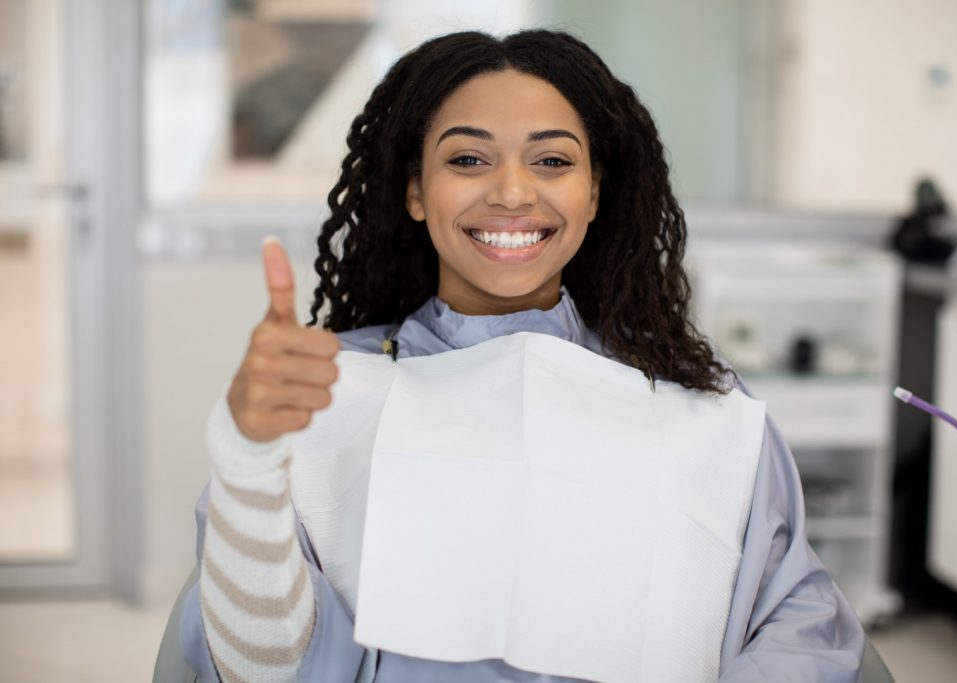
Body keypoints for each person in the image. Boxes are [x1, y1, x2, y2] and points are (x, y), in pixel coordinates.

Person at [179, 29, 865, 682]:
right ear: (416, 190)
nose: (511, 192)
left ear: (594, 191)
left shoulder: (701, 407)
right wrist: (247, 454)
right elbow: (266, 667)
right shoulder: (323, 397)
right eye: (468, 159)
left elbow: (795, 624)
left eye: (553, 160)